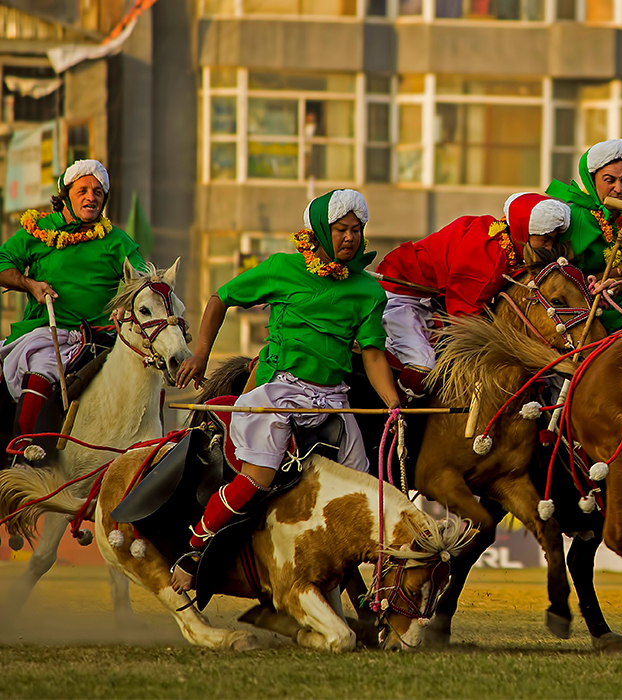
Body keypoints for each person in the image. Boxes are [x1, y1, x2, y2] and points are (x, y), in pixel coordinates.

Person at [171, 189, 401, 592]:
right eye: (342, 230)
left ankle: (367, 590)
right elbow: (220, 298)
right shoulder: (282, 268)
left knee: (362, 491)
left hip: (333, 400)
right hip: (279, 393)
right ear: (320, 232)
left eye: (357, 230)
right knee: (258, 477)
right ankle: (194, 552)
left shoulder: (369, 290)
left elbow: (373, 355)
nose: (351, 237)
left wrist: (393, 403)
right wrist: (202, 354)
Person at [0, 159, 144, 442]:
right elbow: (2, 263)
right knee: (41, 367)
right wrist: (30, 284)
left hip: (101, 338)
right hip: (49, 332)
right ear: (65, 197)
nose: (92, 197)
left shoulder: (117, 240)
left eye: (98, 192)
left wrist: (124, 306)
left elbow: (143, 279)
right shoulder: (37, 230)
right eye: (83, 191)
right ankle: (24, 447)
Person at [376, 192, 571, 398]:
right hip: (400, 294)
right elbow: (464, 322)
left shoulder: (508, 242)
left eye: (553, 240)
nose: (549, 247)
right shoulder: (486, 260)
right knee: (423, 367)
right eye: (545, 240)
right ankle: (399, 418)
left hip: (435, 300)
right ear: (523, 231)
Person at [546, 139, 622, 331]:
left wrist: (617, 282)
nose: (619, 189)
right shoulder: (571, 218)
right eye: (610, 181)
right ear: (592, 180)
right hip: (579, 314)